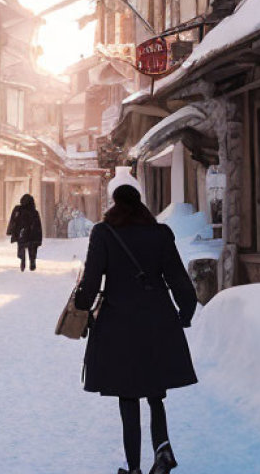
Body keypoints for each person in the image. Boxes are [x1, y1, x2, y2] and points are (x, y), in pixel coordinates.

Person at [74, 184, 198, 474]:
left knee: (128, 396)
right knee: (155, 393)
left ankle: (133, 469)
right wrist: (185, 311)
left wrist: (81, 307)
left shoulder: (104, 233)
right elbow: (178, 277)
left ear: (115, 203)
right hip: (158, 320)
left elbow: (91, 281)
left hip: (119, 325)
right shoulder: (160, 234)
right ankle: (162, 450)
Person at [6, 194, 42, 271]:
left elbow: (13, 221)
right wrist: (39, 238)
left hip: (21, 234)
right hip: (32, 234)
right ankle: (32, 261)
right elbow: (38, 226)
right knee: (32, 248)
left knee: (21, 246)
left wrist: (10, 231)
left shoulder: (18, 210)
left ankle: (23, 260)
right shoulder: (34, 212)